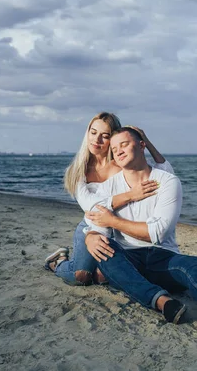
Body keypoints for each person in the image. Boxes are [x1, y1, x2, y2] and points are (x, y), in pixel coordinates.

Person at [83, 127, 197, 326]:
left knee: (193, 264)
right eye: (114, 149)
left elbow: (156, 233)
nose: (119, 151)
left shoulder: (167, 182)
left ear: (141, 146)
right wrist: (91, 236)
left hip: (163, 257)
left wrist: (112, 221)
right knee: (105, 253)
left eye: (124, 144)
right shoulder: (108, 187)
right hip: (127, 259)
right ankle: (162, 302)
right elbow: (96, 223)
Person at [44, 112, 173, 286]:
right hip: (92, 227)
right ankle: (57, 262)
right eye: (93, 132)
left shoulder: (122, 164)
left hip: (118, 229)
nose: (96, 140)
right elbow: (91, 207)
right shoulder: (78, 170)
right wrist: (130, 195)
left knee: (103, 278)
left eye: (104, 136)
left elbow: (166, 175)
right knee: (80, 277)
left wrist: (145, 142)